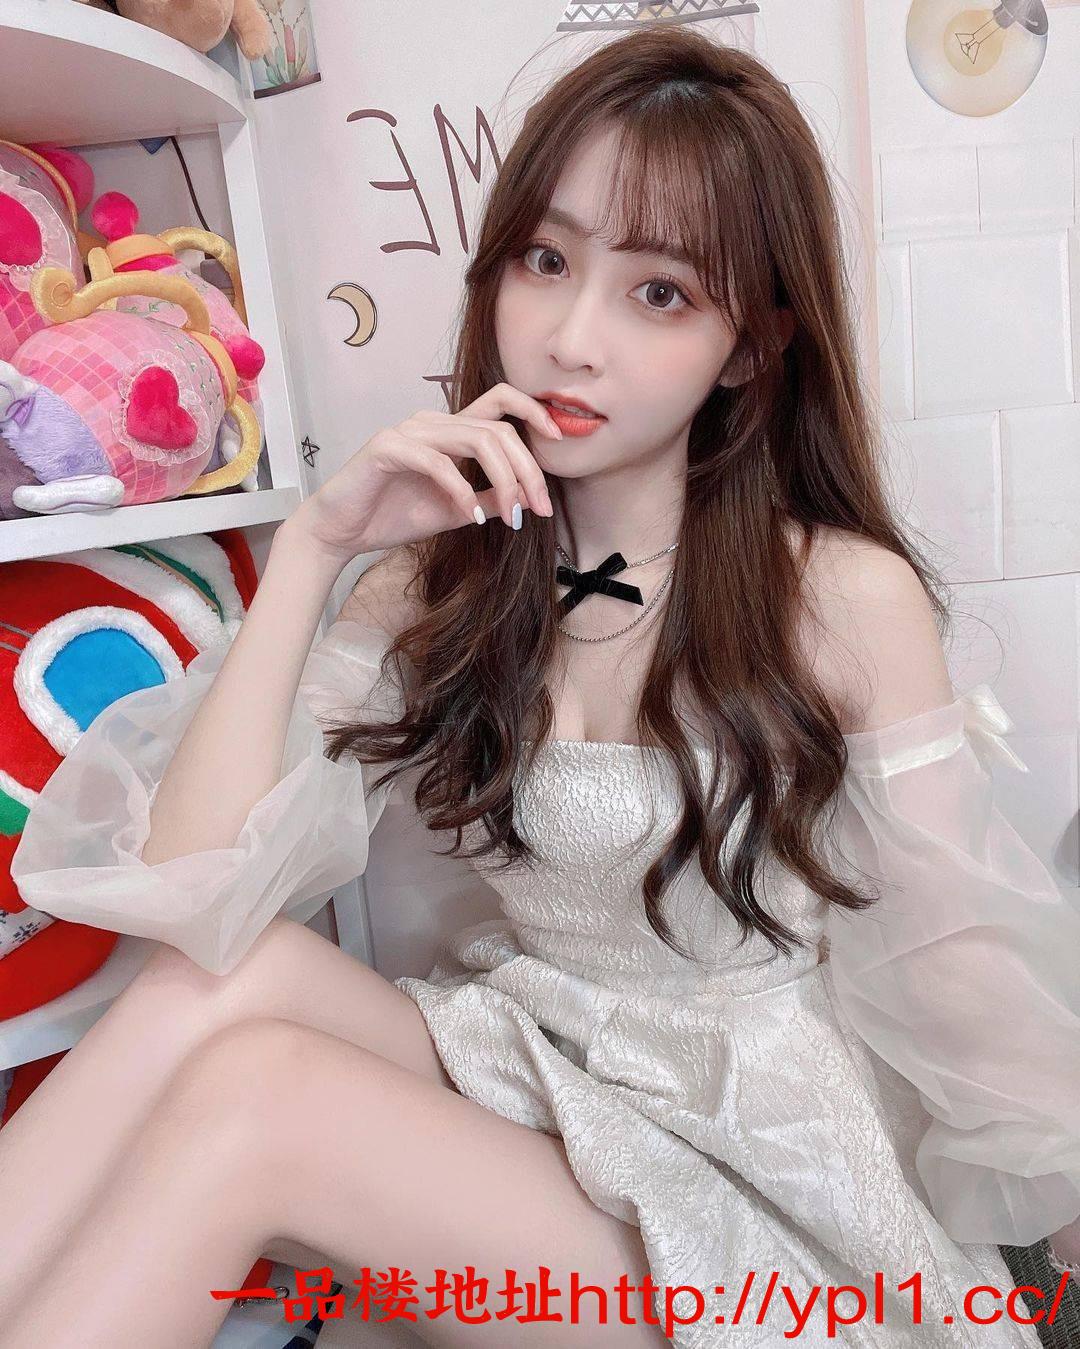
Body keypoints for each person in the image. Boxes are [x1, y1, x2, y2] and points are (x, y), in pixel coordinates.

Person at [1, 23, 1078, 1349]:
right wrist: (318, 548)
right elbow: (192, 892)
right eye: (547, 261)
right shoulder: (435, 582)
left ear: (751, 346)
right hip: (547, 1067)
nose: (571, 340)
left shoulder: (838, 595)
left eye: (660, 293)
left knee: (257, 1099)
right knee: (209, 988)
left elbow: (955, 968)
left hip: (756, 1163)